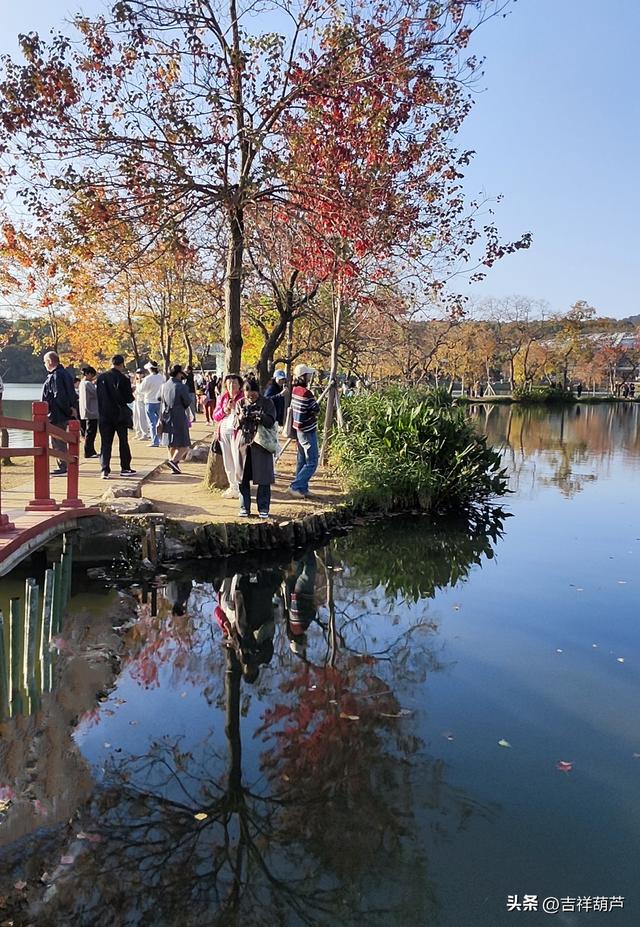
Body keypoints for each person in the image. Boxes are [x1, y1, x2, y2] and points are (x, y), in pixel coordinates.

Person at [235, 376, 277, 518]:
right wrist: (240, 417)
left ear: (258, 392)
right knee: (242, 477)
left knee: (264, 478)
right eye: (248, 395)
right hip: (244, 444)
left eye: (253, 394)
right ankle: (244, 507)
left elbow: (271, 421)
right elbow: (235, 424)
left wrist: (260, 416)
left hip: (262, 445)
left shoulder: (267, 403)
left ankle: (263, 508)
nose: (251, 397)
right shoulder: (240, 403)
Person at [96, 354, 136, 480]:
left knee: (105, 443)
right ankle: (125, 467)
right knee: (123, 441)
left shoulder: (101, 378)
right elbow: (129, 398)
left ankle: (104, 469)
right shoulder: (123, 379)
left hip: (104, 414)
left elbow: (99, 396)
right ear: (121, 364)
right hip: (119, 415)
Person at [42, 350, 78, 475]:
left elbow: (60, 396)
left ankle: (63, 465)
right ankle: (65, 463)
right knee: (61, 439)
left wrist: (67, 410)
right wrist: (71, 408)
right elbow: (72, 394)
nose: (45, 365)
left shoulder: (56, 375)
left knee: (58, 440)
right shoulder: (65, 374)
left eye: (45, 362)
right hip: (63, 413)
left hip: (58, 414)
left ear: (50, 361)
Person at [289, 363, 320, 499]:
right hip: (307, 430)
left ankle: (302, 488)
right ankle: (295, 486)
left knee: (302, 460)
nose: (310, 377)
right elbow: (316, 409)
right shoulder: (306, 393)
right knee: (312, 461)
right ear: (304, 376)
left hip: (298, 429)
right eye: (308, 375)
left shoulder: (295, 390)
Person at [214, 373, 243, 498]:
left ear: (240, 385)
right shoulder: (223, 397)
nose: (232, 386)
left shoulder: (243, 397)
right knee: (228, 461)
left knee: (238, 460)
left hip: (237, 433)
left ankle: (241, 487)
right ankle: (233, 487)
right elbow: (215, 416)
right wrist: (225, 409)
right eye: (229, 383)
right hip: (224, 432)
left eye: (235, 383)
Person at [160, 363, 192, 474]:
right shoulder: (182, 387)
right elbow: (187, 401)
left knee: (170, 442)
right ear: (179, 373)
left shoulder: (164, 385)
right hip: (178, 414)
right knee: (184, 443)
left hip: (166, 414)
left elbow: (158, 398)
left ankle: (173, 463)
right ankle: (173, 461)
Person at [136, 360, 164, 447]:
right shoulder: (161, 377)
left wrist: (138, 384)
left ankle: (155, 441)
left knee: (152, 422)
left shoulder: (148, 379)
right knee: (160, 422)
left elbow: (141, 390)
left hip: (150, 402)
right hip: (159, 402)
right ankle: (162, 439)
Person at [78, 366, 99, 458]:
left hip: (85, 411)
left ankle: (91, 450)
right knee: (91, 433)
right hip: (91, 411)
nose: (92, 377)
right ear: (87, 374)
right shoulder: (87, 384)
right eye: (92, 375)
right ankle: (89, 452)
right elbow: (96, 393)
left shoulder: (81, 383)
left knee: (88, 432)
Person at [132, 368, 150, 440]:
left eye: (141, 373)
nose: (139, 374)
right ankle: (138, 432)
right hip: (136, 400)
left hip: (142, 400)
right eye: (138, 373)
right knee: (136, 417)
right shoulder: (136, 381)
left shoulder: (144, 381)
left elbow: (143, 391)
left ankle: (145, 434)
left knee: (142, 417)